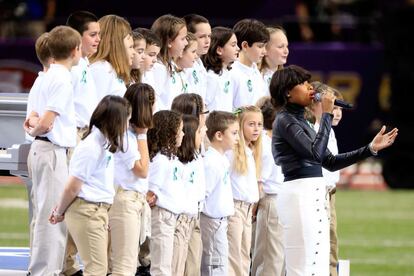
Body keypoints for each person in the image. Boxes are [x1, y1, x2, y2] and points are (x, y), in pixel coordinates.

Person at [270, 65, 398, 276]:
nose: (309, 87)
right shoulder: (285, 120)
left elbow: (329, 161)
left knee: (319, 262)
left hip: (313, 192)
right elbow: (316, 154)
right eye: (302, 83)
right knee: (303, 264)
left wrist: (370, 149)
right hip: (298, 193)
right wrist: (327, 115)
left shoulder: (300, 120)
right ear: (287, 92)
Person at [49, 95, 131, 276]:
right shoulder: (91, 147)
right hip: (87, 211)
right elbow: (72, 186)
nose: (127, 126)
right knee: (96, 270)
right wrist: (59, 212)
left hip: (96, 211)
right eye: (126, 120)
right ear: (115, 120)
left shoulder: (103, 143)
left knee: (98, 268)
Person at [23, 25, 81, 276]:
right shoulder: (61, 79)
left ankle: (40, 270)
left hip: (42, 149)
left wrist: (35, 127)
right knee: (52, 216)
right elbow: (45, 122)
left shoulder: (44, 77)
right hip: (51, 149)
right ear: (74, 50)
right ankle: (45, 272)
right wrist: (38, 129)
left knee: (44, 214)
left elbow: (35, 118)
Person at [65, 10, 101, 276]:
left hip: (86, 134)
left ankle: (69, 262)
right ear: (77, 36)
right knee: (72, 200)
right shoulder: (73, 67)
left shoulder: (85, 64)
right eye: (92, 34)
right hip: (75, 137)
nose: (98, 39)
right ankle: (65, 265)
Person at [108, 83, 154, 276]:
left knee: (127, 263)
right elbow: (142, 170)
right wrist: (143, 136)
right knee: (123, 266)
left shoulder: (131, 134)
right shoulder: (126, 135)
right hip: (125, 201)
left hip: (134, 199)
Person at [308, 81, 344, 276]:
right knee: (320, 243)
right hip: (318, 192)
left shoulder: (330, 132)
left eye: (339, 107)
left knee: (331, 242)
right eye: (333, 106)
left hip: (330, 192)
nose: (337, 112)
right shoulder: (314, 130)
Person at [171, 93, 209, 276]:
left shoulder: (197, 145)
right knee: (176, 267)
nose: (205, 118)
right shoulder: (175, 154)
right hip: (180, 217)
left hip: (195, 213)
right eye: (203, 112)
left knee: (193, 268)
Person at [147, 110, 185, 276]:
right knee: (161, 267)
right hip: (162, 216)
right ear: (170, 133)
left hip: (171, 216)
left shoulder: (172, 159)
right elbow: (149, 193)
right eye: (180, 130)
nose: (183, 134)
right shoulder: (160, 161)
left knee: (167, 265)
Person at [201, 111, 239, 276]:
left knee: (221, 265)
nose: (238, 138)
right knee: (214, 266)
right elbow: (203, 194)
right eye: (234, 133)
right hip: (212, 222)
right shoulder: (211, 162)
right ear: (219, 135)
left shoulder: (222, 159)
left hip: (221, 222)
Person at [226, 105, 263, 276]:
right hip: (235, 208)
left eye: (259, 124)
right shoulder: (232, 152)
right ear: (240, 126)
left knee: (244, 256)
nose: (256, 129)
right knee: (234, 258)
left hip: (248, 210)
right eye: (251, 124)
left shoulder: (252, 150)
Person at [251, 97, 285, 276]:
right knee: (274, 257)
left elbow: (259, 180)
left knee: (267, 258)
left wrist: (254, 207)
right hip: (280, 200)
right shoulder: (281, 140)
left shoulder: (263, 142)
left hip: (270, 201)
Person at [89, 14, 135, 100]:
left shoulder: (110, 70)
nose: (134, 52)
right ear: (117, 45)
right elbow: (95, 110)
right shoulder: (101, 69)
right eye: (131, 47)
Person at [151, 14, 188, 110]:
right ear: (169, 42)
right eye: (183, 39)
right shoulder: (157, 68)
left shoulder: (172, 65)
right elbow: (155, 104)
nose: (186, 43)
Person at [231, 19, 269, 109]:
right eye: (260, 46)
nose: (265, 52)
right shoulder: (232, 72)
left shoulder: (255, 69)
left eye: (265, 46)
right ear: (245, 46)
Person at [24, 32, 53, 143]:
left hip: (37, 140)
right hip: (40, 142)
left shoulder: (41, 81)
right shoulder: (48, 83)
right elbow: (41, 121)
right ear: (54, 58)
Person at [203, 27, 239, 112]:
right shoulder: (211, 77)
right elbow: (204, 106)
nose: (238, 48)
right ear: (219, 50)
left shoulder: (228, 73)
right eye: (233, 45)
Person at [183, 14, 212, 100]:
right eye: (202, 37)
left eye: (209, 36)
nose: (207, 41)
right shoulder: (185, 66)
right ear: (188, 37)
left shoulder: (199, 63)